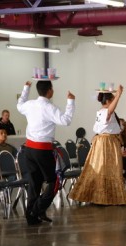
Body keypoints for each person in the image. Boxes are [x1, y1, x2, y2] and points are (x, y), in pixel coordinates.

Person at [17, 80, 75, 225]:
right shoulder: (49, 107)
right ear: (49, 91)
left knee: (35, 182)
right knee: (55, 181)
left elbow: (19, 105)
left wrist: (25, 88)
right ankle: (35, 210)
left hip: (28, 149)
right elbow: (66, 120)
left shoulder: (30, 105)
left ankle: (32, 216)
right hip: (42, 149)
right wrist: (70, 102)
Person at [69, 86, 126, 206]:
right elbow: (110, 111)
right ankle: (101, 197)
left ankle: (107, 197)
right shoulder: (104, 112)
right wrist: (118, 95)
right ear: (108, 101)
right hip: (106, 143)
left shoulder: (103, 112)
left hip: (107, 142)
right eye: (112, 99)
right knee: (105, 169)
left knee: (110, 169)